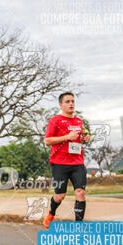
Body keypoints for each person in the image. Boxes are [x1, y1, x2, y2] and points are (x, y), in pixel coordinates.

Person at [43, 92, 90, 229]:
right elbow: (47, 141)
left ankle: (78, 227)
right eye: (68, 101)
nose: (71, 104)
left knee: (80, 192)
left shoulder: (79, 121)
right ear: (61, 105)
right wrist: (67, 137)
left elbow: (78, 139)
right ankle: (51, 214)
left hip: (77, 163)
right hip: (60, 164)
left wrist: (84, 140)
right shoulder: (55, 120)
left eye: (73, 101)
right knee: (60, 196)